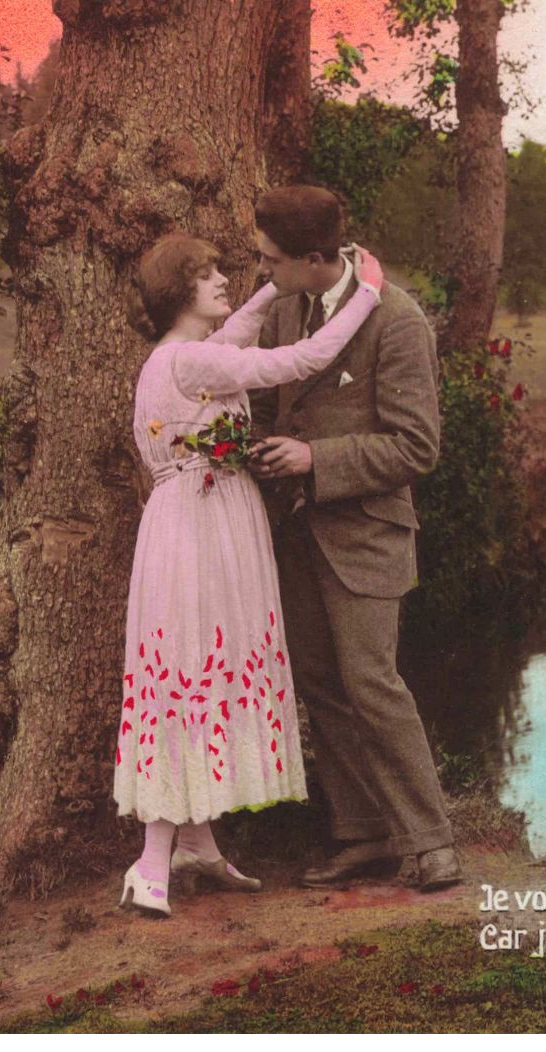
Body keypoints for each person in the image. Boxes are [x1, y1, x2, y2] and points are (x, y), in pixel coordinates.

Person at [115, 232, 386, 916]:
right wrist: (367, 293)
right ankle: (150, 861)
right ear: (180, 294)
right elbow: (306, 355)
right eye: (207, 277)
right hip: (199, 529)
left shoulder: (186, 357)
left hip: (204, 519)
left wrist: (278, 284)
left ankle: (197, 845)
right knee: (186, 671)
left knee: (202, 669)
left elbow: (239, 331)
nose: (223, 284)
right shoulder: (187, 362)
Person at [246, 186, 461, 891]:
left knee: (372, 682)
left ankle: (431, 842)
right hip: (295, 532)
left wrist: (317, 460)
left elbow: (416, 447)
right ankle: (363, 832)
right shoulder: (281, 307)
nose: (263, 268)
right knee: (318, 682)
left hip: (366, 535)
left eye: (273, 258)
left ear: (316, 259)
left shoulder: (398, 321)